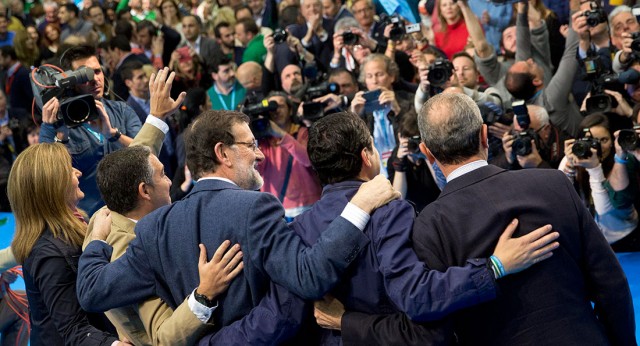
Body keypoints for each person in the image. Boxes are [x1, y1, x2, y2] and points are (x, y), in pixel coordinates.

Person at [76, 108, 401, 343]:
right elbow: (309, 278)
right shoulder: (257, 208)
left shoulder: (153, 228)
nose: (260, 155)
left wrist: (96, 244)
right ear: (223, 153)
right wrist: (358, 207)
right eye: (250, 145)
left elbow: (92, 293)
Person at [296, 111, 558, 345]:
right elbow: (419, 301)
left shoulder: (298, 229)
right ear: (367, 156)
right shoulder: (390, 213)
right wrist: (495, 267)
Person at [412, 92, 635, 345]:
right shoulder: (553, 183)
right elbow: (611, 283)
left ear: (426, 153)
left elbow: (437, 318)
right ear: (484, 136)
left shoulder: (429, 223)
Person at [86, 69, 244, 344]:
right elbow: (162, 337)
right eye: (162, 175)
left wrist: (156, 118)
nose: (169, 179)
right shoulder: (129, 247)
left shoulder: (109, 212)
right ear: (144, 191)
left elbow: (135, 160)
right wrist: (204, 294)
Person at [8, 143, 124, 345]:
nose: (78, 172)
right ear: (53, 184)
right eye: (69, 169)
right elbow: (74, 329)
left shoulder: (72, 227)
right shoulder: (50, 254)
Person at [39, 45, 143, 216]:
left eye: (97, 71)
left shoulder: (122, 111)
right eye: (84, 75)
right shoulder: (53, 123)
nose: (94, 79)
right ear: (70, 82)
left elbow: (146, 151)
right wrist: (61, 136)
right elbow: (48, 178)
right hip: (87, 221)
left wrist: (113, 134)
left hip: (130, 213)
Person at [560, 113, 639, 250]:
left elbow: (603, 211)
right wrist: (570, 169)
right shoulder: (572, 158)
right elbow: (560, 200)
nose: (597, 147)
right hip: (592, 241)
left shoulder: (622, 163)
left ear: (613, 141)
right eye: (590, 140)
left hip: (624, 238)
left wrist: (594, 169)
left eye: (603, 140)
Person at [257, 91, 322, 219]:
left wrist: (281, 134)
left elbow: (308, 160)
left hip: (310, 206)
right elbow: (257, 170)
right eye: (272, 107)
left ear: (290, 110)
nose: (276, 110)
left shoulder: (303, 133)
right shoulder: (263, 142)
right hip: (278, 211)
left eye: (280, 106)